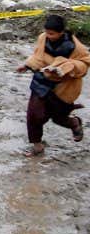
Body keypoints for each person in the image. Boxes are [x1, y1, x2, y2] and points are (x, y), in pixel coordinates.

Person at [17, 14, 88, 157]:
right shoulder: (43, 38)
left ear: (61, 32)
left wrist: (67, 67)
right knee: (34, 115)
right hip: (41, 81)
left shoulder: (75, 47)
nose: (48, 36)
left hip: (63, 87)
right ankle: (37, 146)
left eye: (52, 34)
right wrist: (27, 65)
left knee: (58, 117)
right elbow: (38, 56)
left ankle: (74, 123)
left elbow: (84, 64)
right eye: (47, 32)